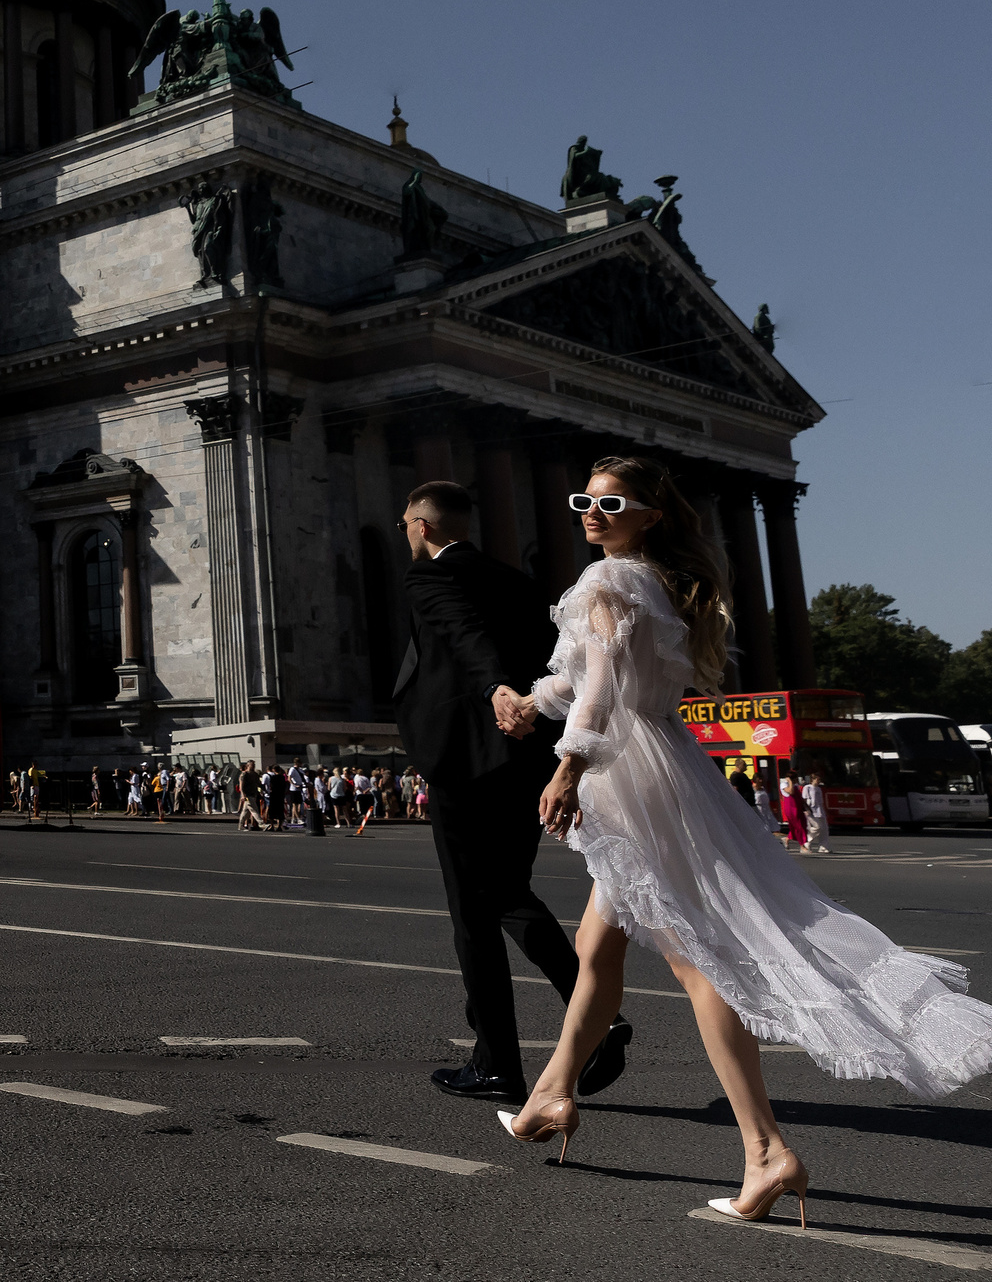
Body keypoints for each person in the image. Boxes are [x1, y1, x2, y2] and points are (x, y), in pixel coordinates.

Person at [503, 455, 992, 1224]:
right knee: (597, 948)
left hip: (631, 779)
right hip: (670, 770)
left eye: (611, 503)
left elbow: (597, 689)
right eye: (584, 501)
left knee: (701, 965)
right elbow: (593, 679)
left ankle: (766, 1151)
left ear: (649, 514)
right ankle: (551, 1095)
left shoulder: (604, 583)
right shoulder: (657, 586)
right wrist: (528, 699)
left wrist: (566, 764)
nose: (591, 513)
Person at [392, 479, 613, 1103]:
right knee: (505, 893)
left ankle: (497, 1063)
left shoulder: (429, 578)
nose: (406, 532)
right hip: (525, 755)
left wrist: (494, 687)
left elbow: (465, 637)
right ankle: (598, 1021)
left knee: (472, 912)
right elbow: (556, 660)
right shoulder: (515, 579)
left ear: (425, 525)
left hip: (466, 757)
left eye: (407, 522)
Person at [800, 768, 832, 855]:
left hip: (820, 810)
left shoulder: (819, 789)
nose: (819, 781)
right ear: (813, 779)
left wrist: (825, 811)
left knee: (824, 830)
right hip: (811, 811)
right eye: (817, 779)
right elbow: (804, 800)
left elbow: (821, 802)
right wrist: (805, 809)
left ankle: (823, 847)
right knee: (817, 827)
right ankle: (807, 841)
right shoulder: (807, 788)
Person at [777, 774, 805, 848]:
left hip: (797, 807)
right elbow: (791, 792)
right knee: (799, 826)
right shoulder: (784, 785)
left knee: (798, 826)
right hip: (790, 808)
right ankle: (802, 845)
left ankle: (786, 839)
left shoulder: (796, 786)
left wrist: (806, 807)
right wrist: (790, 781)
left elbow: (800, 797)